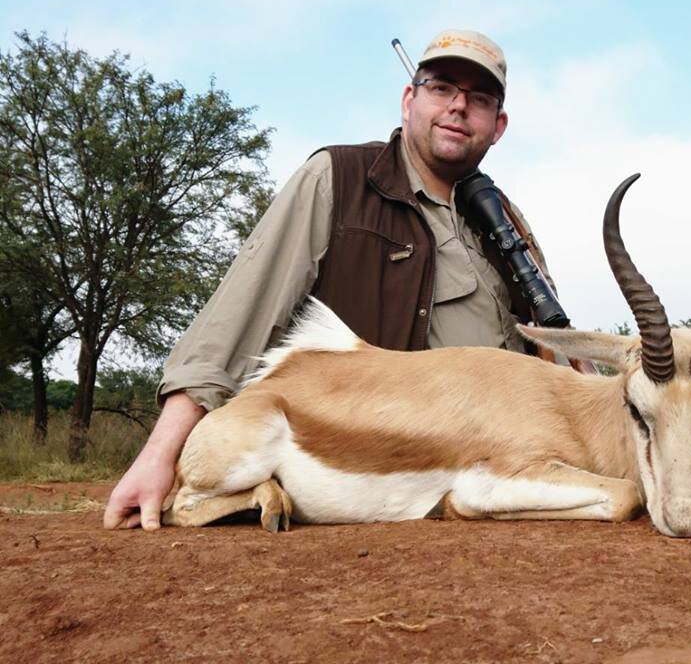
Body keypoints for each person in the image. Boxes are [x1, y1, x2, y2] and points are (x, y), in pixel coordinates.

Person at [103, 29, 557, 531]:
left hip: (506, 476)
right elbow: (236, 318)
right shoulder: (336, 179)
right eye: (442, 87)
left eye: (479, 99)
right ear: (410, 99)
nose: (457, 107)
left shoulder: (506, 223)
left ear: (498, 125)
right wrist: (159, 455)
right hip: (387, 472)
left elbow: (553, 352)